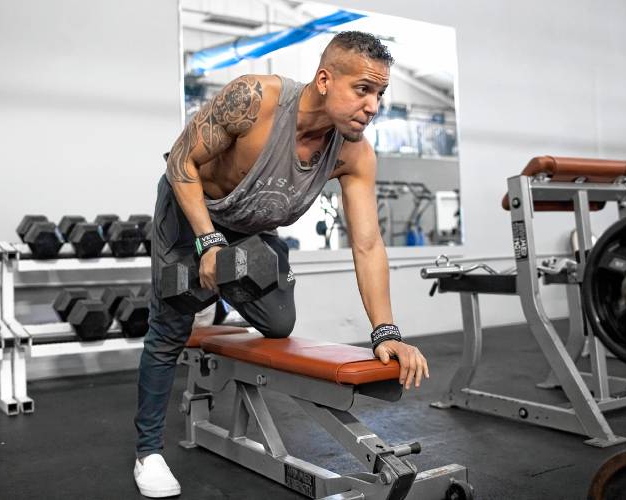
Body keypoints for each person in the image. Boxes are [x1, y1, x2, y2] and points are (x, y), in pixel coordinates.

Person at [133, 31, 430, 498]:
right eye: (363, 90)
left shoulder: (353, 153)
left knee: (278, 323)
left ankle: (216, 284)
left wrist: (386, 333)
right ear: (325, 79)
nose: (373, 106)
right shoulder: (256, 99)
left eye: (380, 94)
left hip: (251, 229)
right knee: (170, 323)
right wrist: (208, 242)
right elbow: (181, 161)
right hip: (191, 210)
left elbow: (368, 245)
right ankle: (147, 452)